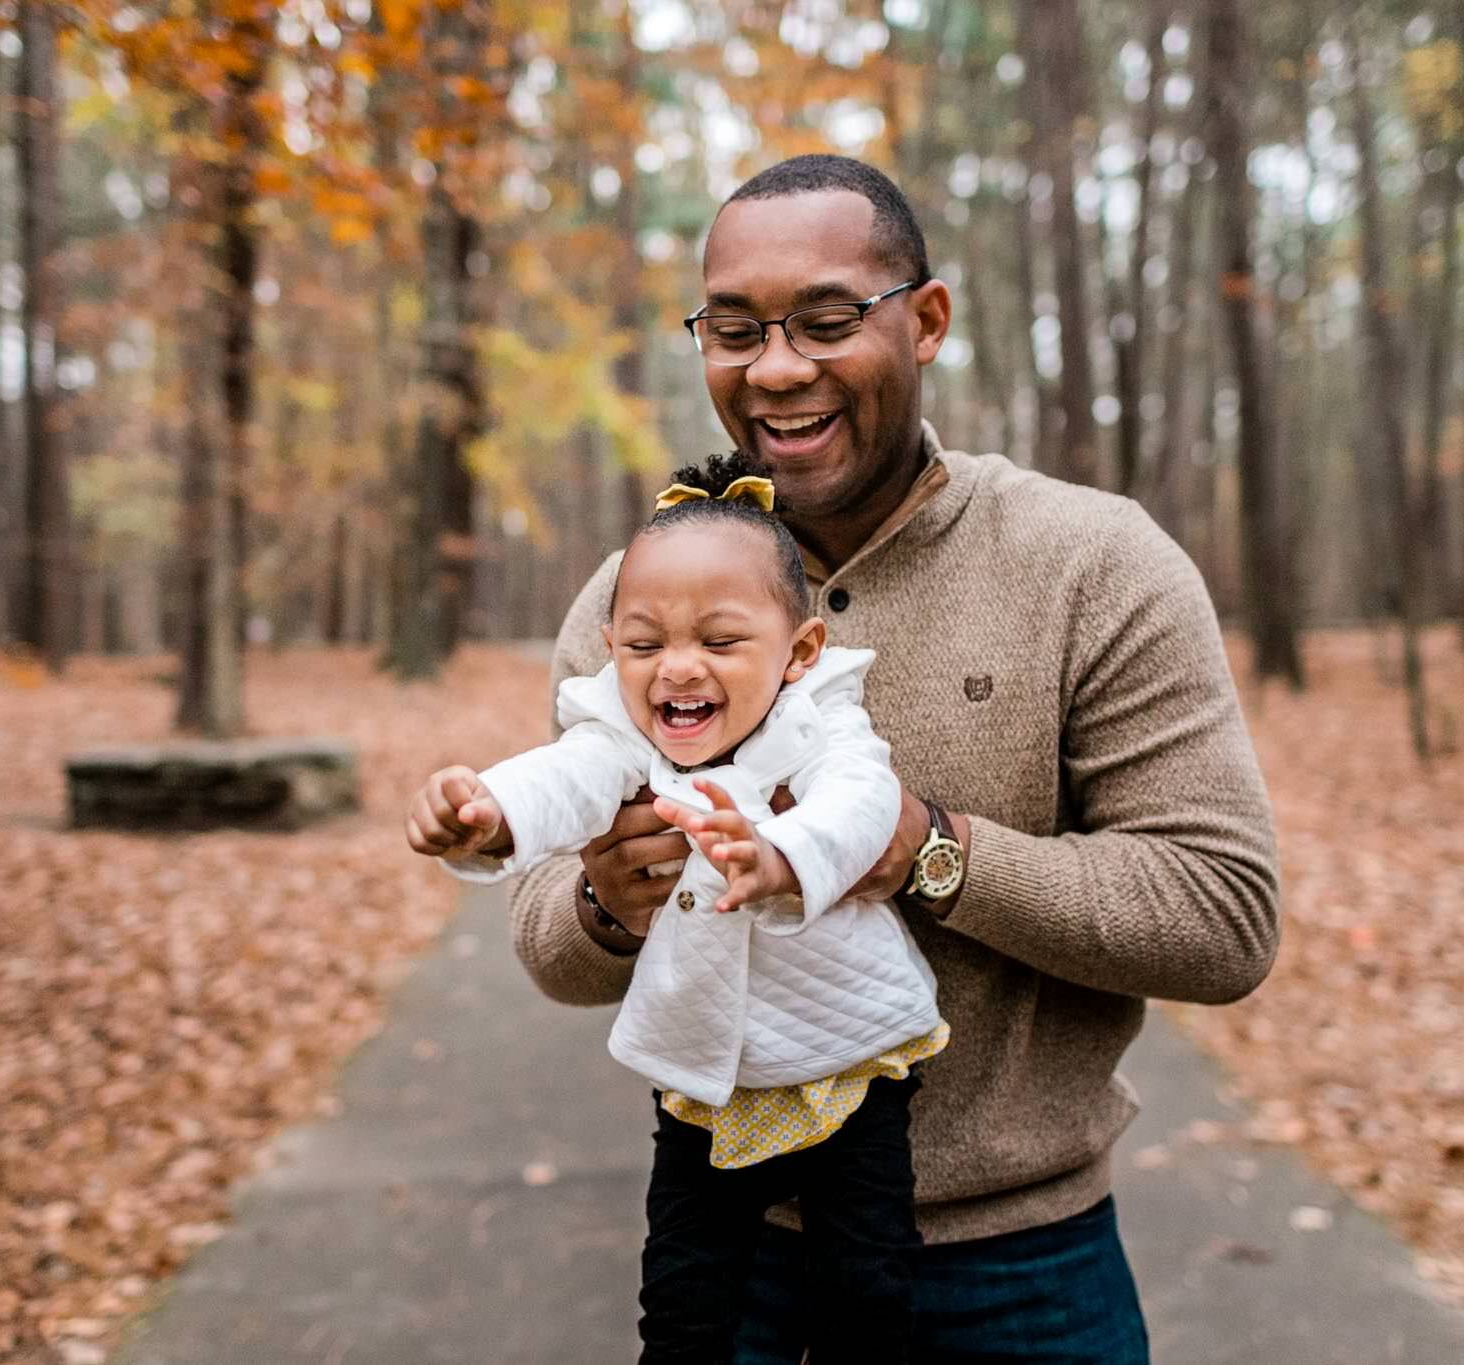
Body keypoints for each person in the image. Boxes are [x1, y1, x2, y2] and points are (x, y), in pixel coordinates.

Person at [510, 153, 1281, 1363]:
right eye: (732, 328)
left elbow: (1220, 916)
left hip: (1022, 1270)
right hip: (730, 1249)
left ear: (924, 322)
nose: (775, 368)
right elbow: (550, 943)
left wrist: (924, 853)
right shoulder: (637, 601)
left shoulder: (1091, 565)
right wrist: (606, 906)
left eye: (825, 321)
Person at [405, 453, 948, 1364]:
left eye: (721, 641)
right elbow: (566, 779)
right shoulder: (621, 731)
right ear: (612, 643)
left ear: (798, 651)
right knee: (684, 1302)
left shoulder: (821, 720)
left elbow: (863, 803)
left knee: (867, 1293)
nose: (677, 670)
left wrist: (783, 855)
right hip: (702, 1067)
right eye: (645, 643)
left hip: (848, 1058)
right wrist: (492, 814)